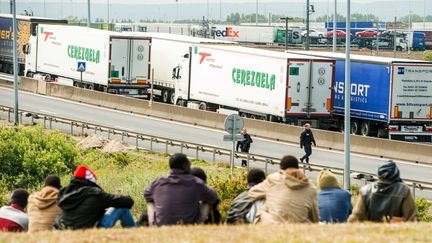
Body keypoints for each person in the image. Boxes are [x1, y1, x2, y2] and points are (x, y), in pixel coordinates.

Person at [144, 153, 219, 226]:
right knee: (207, 201)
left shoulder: (158, 182)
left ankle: (153, 225)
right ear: (185, 166)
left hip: (161, 226)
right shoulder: (195, 182)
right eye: (189, 165)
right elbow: (213, 196)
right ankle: (197, 225)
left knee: (150, 201)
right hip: (189, 225)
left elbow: (146, 194)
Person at [55, 165, 135, 230]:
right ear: (90, 181)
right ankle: (135, 235)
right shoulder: (94, 193)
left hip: (64, 230)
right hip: (88, 231)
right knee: (122, 208)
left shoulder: (64, 192)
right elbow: (128, 202)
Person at [248, 155, 319, 224]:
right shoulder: (310, 187)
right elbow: (315, 218)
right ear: (297, 168)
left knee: (262, 203)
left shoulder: (273, 179)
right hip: (299, 226)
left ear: (281, 169)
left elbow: (252, 193)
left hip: (272, 224)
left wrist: (269, 198)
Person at [348, 160, 418, 223]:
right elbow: (412, 219)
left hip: (370, 234)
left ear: (378, 174)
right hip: (396, 234)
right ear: (397, 174)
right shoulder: (403, 190)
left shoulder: (366, 191)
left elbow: (355, 218)